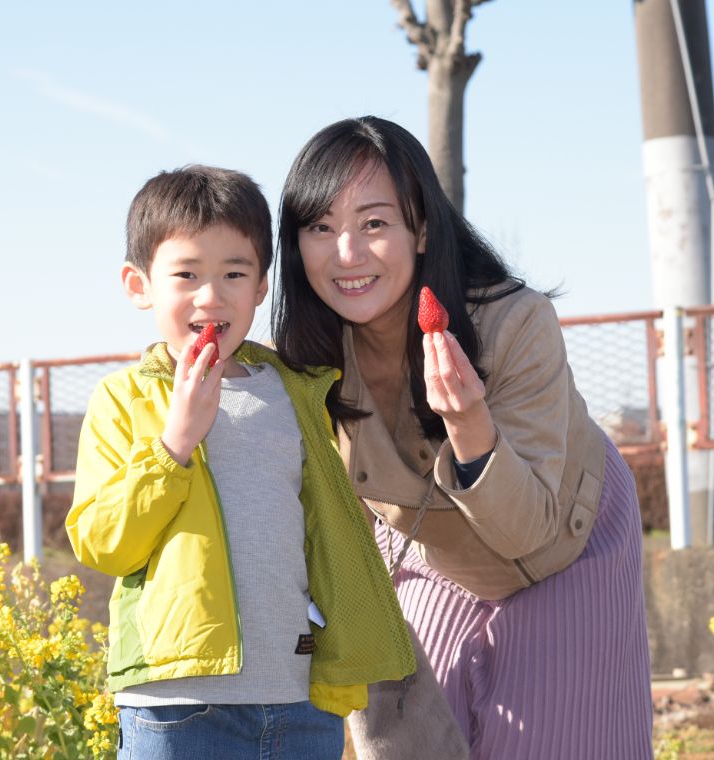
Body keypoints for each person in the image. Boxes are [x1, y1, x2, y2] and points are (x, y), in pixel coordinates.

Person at [273, 116, 654, 759]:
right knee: (419, 735)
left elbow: (527, 530)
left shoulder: (515, 321)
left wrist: (472, 428)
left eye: (373, 224)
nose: (347, 255)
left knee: (555, 739)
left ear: (421, 228)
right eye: (321, 227)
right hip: (424, 538)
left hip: (562, 532)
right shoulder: (313, 357)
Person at [65, 165, 416, 760]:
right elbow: (104, 544)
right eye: (186, 274)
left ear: (260, 286)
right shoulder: (124, 399)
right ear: (138, 284)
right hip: (176, 704)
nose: (211, 295)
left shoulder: (296, 391)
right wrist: (173, 446)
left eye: (234, 273)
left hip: (299, 700)